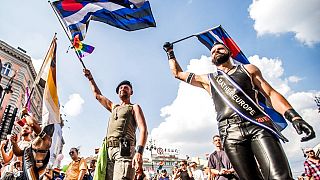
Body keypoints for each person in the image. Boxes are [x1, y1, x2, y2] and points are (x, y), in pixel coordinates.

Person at [163, 41, 316, 180]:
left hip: (258, 126)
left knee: (279, 177)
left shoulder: (248, 69)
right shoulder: (209, 80)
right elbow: (177, 74)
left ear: (229, 52)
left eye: (219, 49)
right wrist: (170, 52)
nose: (215, 51)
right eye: (213, 51)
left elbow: (270, 94)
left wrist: (294, 116)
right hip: (229, 133)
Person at [83, 69, 148, 179]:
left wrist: (139, 152)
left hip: (125, 147)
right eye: (120, 88)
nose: (123, 88)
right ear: (118, 93)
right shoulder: (114, 107)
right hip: (108, 151)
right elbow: (98, 95)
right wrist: (90, 78)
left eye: (126, 87)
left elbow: (143, 129)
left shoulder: (134, 107)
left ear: (131, 92)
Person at [11, 108, 53, 179]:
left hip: (33, 175)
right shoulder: (31, 144)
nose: (34, 130)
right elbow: (18, 153)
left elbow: (33, 124)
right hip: (25, 174)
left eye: (40, 125)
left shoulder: (46, 140)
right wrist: (14, 144)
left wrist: (26, 114)